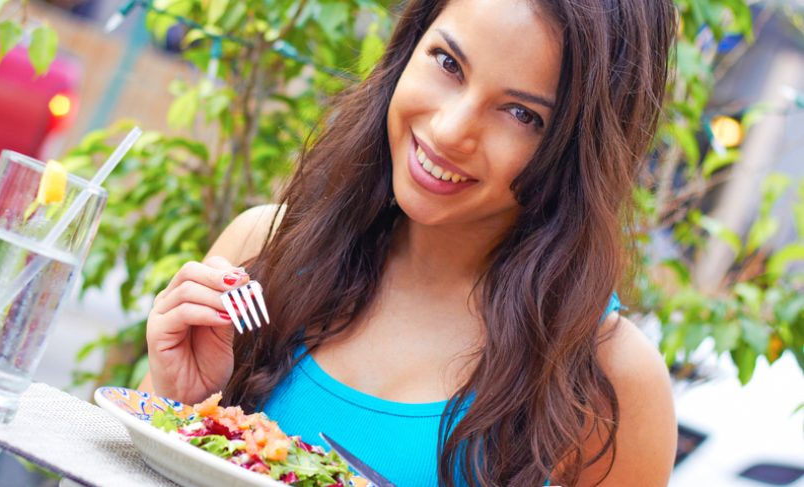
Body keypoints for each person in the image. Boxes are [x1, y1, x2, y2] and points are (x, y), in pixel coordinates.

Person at [141, 0, 678, 485]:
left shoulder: (606, 376)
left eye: (521, 114)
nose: (449, 132)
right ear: (409, 45)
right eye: (448, 63)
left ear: (579, 149)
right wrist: (179, 410)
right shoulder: (264, 251)